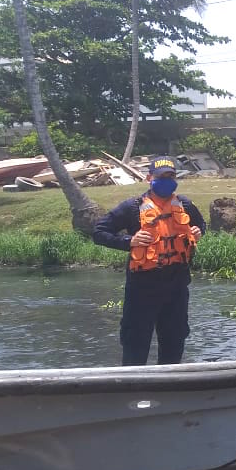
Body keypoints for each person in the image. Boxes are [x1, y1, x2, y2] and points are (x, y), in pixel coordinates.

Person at [93, 155, 205, 366]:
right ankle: (132, 389)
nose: (167, 180)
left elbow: (201, 226)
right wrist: (129, 241)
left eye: (171, 175)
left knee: (174, 342)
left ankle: (170, 390)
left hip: (177, 286)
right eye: (161, 176)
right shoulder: (132, 207)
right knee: (135, 344)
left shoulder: (185, 205)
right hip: (142, 287)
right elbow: (99, 232)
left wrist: (198, 232)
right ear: (149, 178)